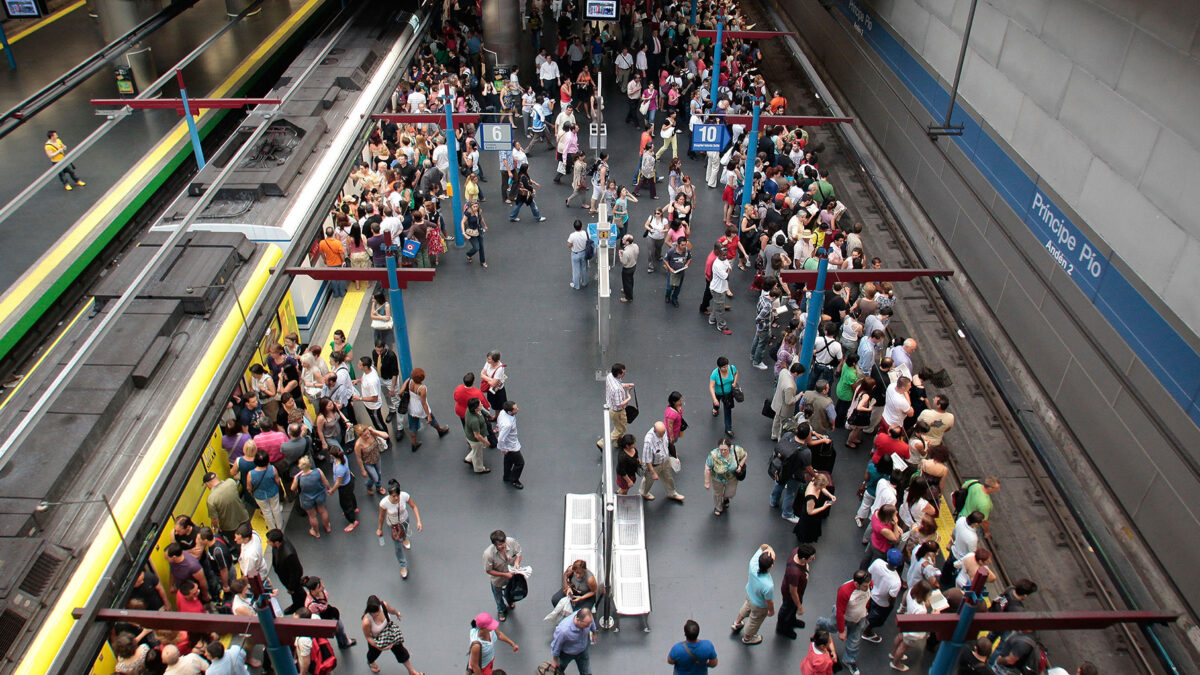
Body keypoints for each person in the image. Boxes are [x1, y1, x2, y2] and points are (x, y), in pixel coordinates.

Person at [817, 569, 871, 675]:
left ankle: (849, 660)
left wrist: (866, 611)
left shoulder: (868, 585)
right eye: (865, 586)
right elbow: (840, 612)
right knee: (832, 626)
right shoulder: (845, 591)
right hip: (844, 616)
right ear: (856, 583)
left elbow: (868, 599)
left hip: (859, 618)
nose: (868, 587)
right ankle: (821, 623)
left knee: (854, 641)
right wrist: (841, 631)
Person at [361, 595, 423, 674]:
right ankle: (371, 661)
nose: (376, 614)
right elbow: (368, 637)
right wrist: (380, 647)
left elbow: (391, 610)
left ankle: (411, 671)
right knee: (373, 654)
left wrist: (397, 613)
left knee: (401, 651)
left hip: (389, 632)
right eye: (373, 613)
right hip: (377, 639)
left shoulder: (384, 606)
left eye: (378, 611)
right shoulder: (366, 621)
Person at [377, 479, 422, 579]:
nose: (396, 498)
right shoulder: (384, 503)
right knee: (397, 547)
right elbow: (381, 517)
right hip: (393, 526)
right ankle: (403, 565)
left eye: (397, 495)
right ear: (389, 495)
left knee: (404, 533)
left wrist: (418, 521)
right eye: (394, 496)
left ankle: (405, 538)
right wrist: (379, 529)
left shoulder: (404, 496)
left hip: (404, 521)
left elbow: (414, 506)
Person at [731, 544, 776, 645]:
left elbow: (762, 546)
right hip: (759, 605)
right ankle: (748, 638)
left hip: (749, 594)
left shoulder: (753, 563)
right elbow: (769, 601)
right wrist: (771, 611)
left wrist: (769, 548)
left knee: (746, 607)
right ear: (771, 566)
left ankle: (737, 623)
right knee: (754, 621)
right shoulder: (768, 585)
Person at [401, 367, 451, 450]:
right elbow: (424, 403)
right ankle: (440, 431)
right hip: (420, 408)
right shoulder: (422, 388)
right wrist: (428, 415)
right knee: (433, 419)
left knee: (413, 425)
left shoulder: (409, 381)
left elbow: (400, 392)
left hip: (412, 407)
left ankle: (414, 443)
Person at [862, 548, 904, 643]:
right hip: (881, 603)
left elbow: (869, 574)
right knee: (875, 620)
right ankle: (867, 632)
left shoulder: (878, 562)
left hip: (870, 594)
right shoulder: (896, 581)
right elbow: (892, 598)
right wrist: (890, 606)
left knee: (867, 611)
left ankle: (863, 621)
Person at [302, 575, 356, 649]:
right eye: (319, 587)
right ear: (313, 590)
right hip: (324, 617)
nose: (323, 587)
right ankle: (344, 643)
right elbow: (317, 618)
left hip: (328, 611)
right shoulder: (311, 604)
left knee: (340, 629)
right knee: (339, 628)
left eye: (322, 584)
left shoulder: (322, 592)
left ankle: (343, 642)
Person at [777, 543, 816, 639]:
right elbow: (793, 592)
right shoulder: (794, 573)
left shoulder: (797, 551)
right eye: (811, 557)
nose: (814, 558)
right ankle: (782, 628)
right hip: (791, 595)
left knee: (792, 609)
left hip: (799, 591)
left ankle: (792, 620)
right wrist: (799, 607)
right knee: (787, 609)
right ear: (803, 559)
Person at [484, 530, 524, 621]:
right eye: (500, 545)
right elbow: (489, 570)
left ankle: (510, 601)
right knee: (498, 594)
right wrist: (505, 575)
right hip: (498, 578)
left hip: (512, 574)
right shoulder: (488, 554)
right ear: (495, 545)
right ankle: (501, 609)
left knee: (510, 590)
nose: (504, 546)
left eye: (504, 543)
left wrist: (516, 563)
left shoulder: (511, 542)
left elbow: (519, 553)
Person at [290, 456, 332, 539]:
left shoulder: (298, 478)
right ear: (310, 464)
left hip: (307, 499)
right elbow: (325, 482)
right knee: (323, 511)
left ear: (300, 466)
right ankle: (327, 527)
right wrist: (329, 488)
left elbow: (292, 488)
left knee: (312, 516)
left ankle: (316, 532)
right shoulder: (318, 471)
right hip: (320, 495)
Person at [640, 421, 683, 502]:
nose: (663, 435)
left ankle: (672, 492)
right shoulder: (648, 441)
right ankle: (644, 492)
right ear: (655, 431)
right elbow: (647, 459)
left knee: (668, 477)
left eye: (664, 432)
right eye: (661, 434)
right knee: (649, 480)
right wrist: (653, 472)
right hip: (654, 465)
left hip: (664, 461)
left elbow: (666, 444)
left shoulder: (664, 431)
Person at [266, 529, 305, 615]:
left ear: (276, 542)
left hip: (291, 580)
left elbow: (297, 572)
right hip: (285, 576)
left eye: (269, 541)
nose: (267, 542)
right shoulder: (277, 546)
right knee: (295, 594)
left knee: (297, 592)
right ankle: (297, 604)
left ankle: (300, 606)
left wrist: (291, 587)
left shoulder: (289, 554)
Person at [704, 437, 746, 516]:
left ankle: (726, 498)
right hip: (718, 478)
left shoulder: (736, 450)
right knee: (717, 493)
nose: (723, 451)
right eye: (721, 449)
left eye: (725, 449)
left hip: (732, 478)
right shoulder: (713, 455)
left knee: (730, 493)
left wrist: (740, 466)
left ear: (729, 448)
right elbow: (707, 468)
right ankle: (718, 507)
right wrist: (707, 482)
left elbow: (745, 455)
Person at [204, 471, 248, 544]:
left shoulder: (211, 499)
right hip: (244, 517)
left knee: (238, 544)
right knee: (249, 537)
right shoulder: (231, 482)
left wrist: (216, 527)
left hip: (230, 528)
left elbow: (214, 519)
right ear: (217, 476)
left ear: (207, 484)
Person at [245, 450, 284, 532]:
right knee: (276, 508)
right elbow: (277, 481)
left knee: (266, 511)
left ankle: (271, 528)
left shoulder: (250, 474)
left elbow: (249, 487)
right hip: (273, 492)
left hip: (259, 496)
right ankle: (279, 525)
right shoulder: (272, 469)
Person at [549, 608, 597, 674]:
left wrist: (594, 632)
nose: (588, 626)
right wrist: (555, 660)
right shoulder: (563, 630)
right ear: (578, 620)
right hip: (566, 654)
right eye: (586, 625)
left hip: (582, 651)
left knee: (586, 672)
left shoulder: (587, 619)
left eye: (589, 624)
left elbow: (591, 623)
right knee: (558, 671)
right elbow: (557, 645)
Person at [794, 473, 837, 544]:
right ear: (819, 485)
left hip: (815, 510)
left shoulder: (814, 482)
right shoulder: (811, 497)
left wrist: (830, 495)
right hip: (809, 517)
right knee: (807, 531)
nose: (824, 487)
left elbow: (823, 488)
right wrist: (824, 507)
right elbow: (810, 512)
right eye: (823, 486)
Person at [602, 363, 634, 447]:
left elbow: (618, 384)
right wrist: (629, 398)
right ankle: (602, 443)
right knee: (621, 429)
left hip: (611, 407)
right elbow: (619, 405)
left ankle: (618, 443)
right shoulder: (617, 390)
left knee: (618, 427)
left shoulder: (610, 376)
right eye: (623, 373)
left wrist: (627, 385)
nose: (625, 373)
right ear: (619, 374)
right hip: (617, 412)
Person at [771, 363, 805, 441]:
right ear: (796, 373)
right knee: (783, 425)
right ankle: (780, 439)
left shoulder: (784, 372)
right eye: (800, 374)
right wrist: (799, 396)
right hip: (784, 409)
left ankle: (774, 434)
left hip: (777, 402)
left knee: (776, 420)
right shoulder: (790, 386)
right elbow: (789, 401)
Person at [496, 400, 525, 488]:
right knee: (520, 463)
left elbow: (499, 421)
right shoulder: (507, 424)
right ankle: (514, 480)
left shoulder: (502, 412)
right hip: (511, 446)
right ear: (509, 412)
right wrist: (503, 449)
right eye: (515, 409)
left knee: (508, 460)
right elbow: (500, 439)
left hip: (510, 444)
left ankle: (507, 476)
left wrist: (498, 427)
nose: (517, 409)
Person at [708, 356, 739, 437]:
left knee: (728, 410)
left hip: (728, 394)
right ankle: (715, 408)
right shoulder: (715, 374)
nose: (725, 368)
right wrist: (714, 399)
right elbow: (711, 386)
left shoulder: (732, 368)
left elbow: (736, 373)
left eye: (726, 366)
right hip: (718, 393)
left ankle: (728, 428)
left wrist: (734, 382)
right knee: (717, 402)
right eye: (723, 367)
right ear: (719, 367)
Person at [707, 247, 733, 335]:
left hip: (721, 288)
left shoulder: (724, 260)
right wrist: (728, 271)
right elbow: (726, 276)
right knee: (720, 309)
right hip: (718, 290)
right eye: (723, 255)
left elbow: (728, 267)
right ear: (718, 254)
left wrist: (728, 270)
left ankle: (712, 319)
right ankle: (721, 326)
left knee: (717, 305)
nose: (725, 257)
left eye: (726, 255)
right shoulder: (717, 265)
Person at [464, 397, 492, 474]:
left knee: (475, 450)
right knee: (478, 454)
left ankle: (469, 458)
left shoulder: (470, 410)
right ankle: (479, 468)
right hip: (476, 440)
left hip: (469, 435)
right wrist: (486, 442)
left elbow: (481, 410)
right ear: (476, 409)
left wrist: (485, 413)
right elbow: (477, 435)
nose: (482, 404)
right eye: (480, 404)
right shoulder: (474, 421)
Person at [663, 236, 691, 306]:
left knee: (678, 287)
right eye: (682, 245)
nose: (684, 246)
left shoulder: (687, 251)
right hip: (673, 273)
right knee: (669, 287)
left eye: (685, 244)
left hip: (681, 272)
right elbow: (665, 260)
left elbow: (689, 259)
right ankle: (667, 296)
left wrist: (687, 264)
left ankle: (674, 298)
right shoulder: (671, 251)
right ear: (678, 244)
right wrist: (670, 268)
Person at [567, 219, 590, 290]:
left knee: (576, 270)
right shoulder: (585, 233)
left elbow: (569, 245)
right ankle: (584, 282)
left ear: (574, 227)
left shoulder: (572, 235)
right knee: (584, 268)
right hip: (583, 252)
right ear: (581, 226)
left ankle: (576, 285)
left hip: (575, 254)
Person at [618, 234, 639, 301]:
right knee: (630, 280)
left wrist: (620, 256)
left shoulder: (626, 252)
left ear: (627, 242)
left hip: (627, 269)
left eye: (623, 239)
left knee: (626, 282)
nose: (622, 239)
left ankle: (628, 297)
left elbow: (623, 263)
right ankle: (627, 289)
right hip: (633, 266)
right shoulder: (635, 246)